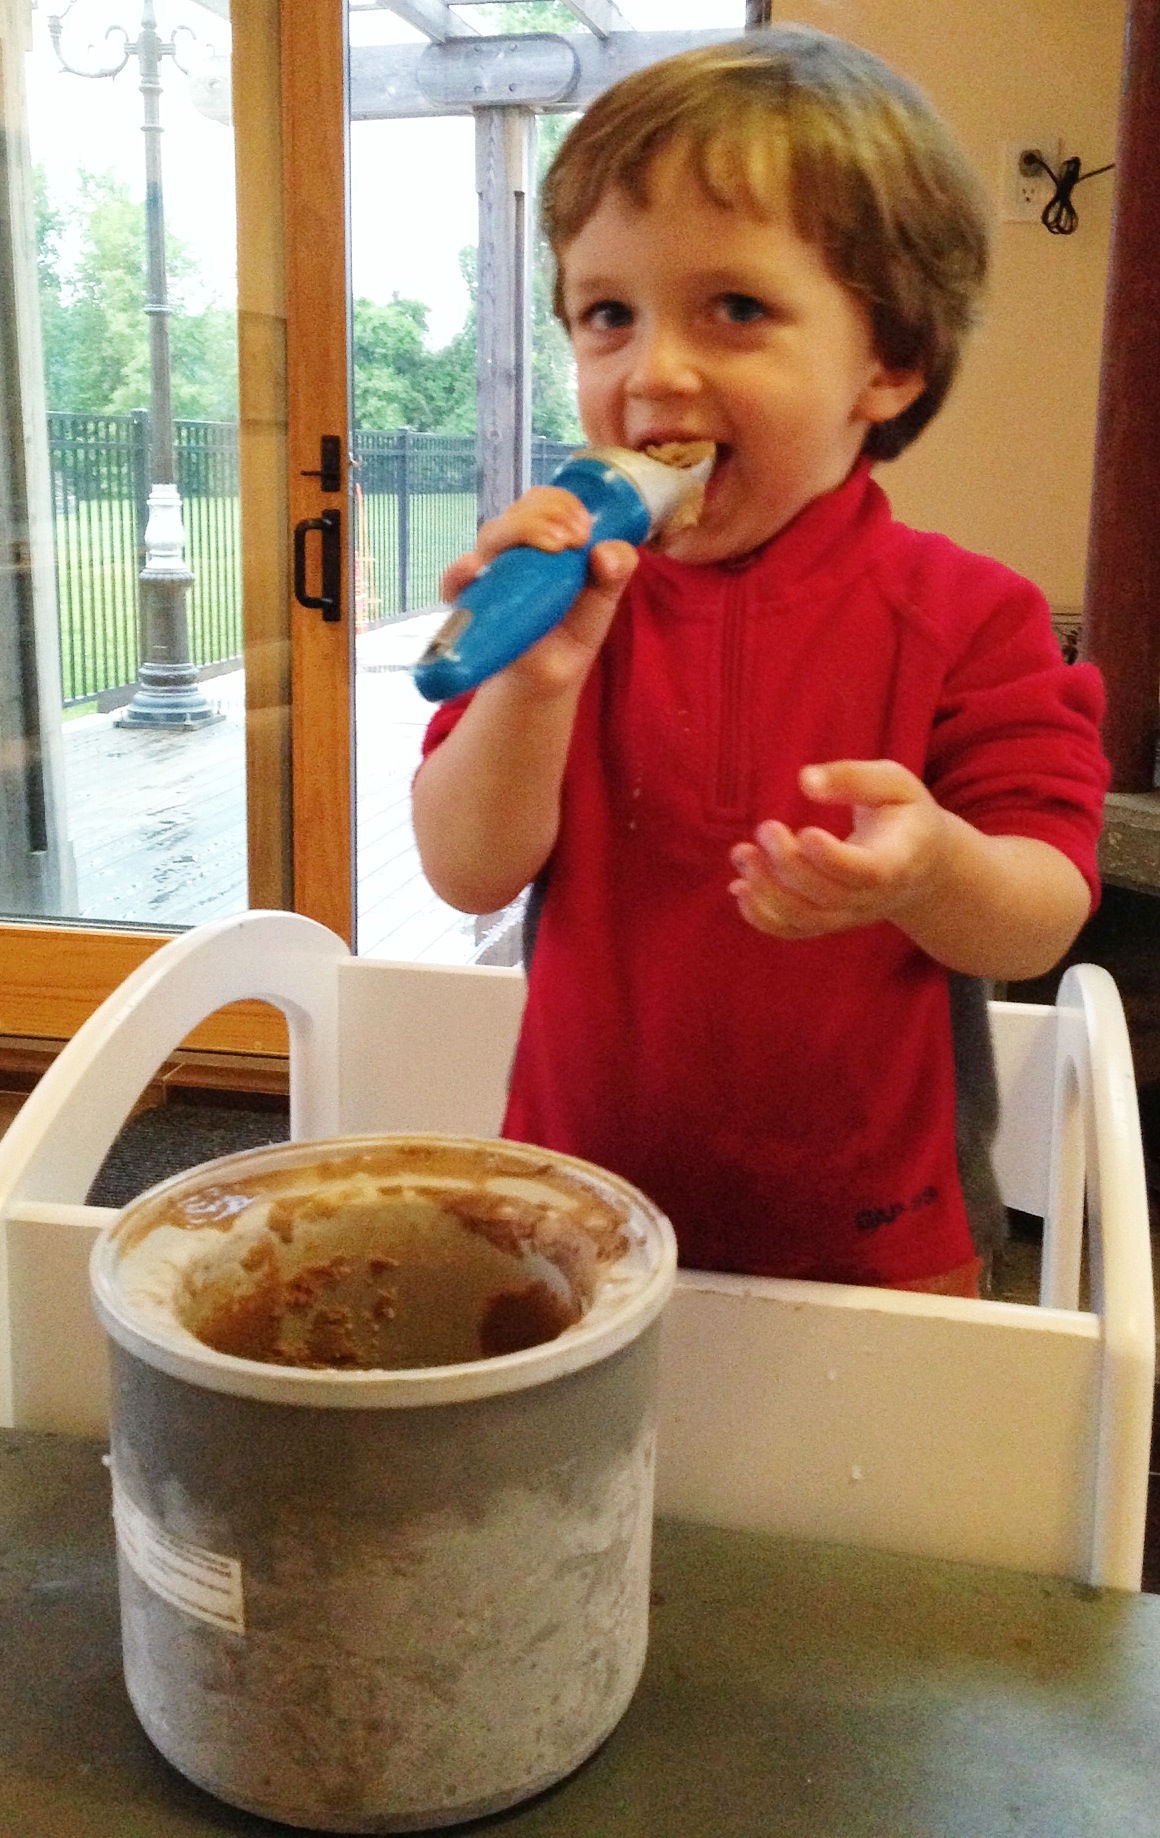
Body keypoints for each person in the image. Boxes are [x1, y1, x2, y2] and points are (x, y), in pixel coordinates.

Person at [411, 27, 1109, 1296]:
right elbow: (467, 868)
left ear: (887, 363)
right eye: (607, 315)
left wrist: (933, 869)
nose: (652, 371)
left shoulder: (970, 616)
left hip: (883, 1240)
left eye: (734, 309)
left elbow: (1044, 904)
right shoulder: (568, 609)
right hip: (577, 1214)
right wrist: (531, 683)